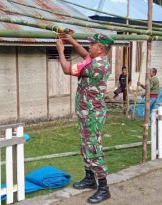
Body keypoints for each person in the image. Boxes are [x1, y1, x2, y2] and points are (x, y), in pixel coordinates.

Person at [56, 33, 113, 203]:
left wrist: (61, 50)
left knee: (93, 148)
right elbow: (85, 55)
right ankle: (90, 178)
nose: (89, 46)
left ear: (101, 48)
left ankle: (104, 188)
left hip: (92, 114)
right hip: (86, 112)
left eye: (92, 44)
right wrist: (71, 40)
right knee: (85, 145)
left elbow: (67, 69)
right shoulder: (96, 59)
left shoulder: (97, 66)